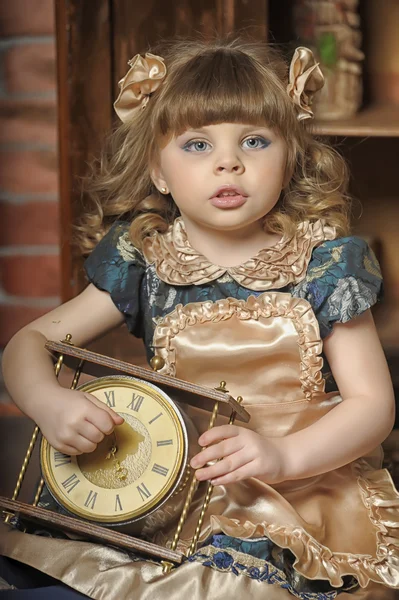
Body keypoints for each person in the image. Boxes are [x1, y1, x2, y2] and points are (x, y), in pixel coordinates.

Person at [0, 36, 397, 600]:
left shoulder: (324, 263)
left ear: (290, 160)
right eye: (196, 144)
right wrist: (47, 400)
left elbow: (373, 406)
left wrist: (285, 457)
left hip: (297, 487)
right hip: (175, 483)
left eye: (255, 141)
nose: (228, 161)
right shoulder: (149, 259)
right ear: (158, 172)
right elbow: (29, 342)